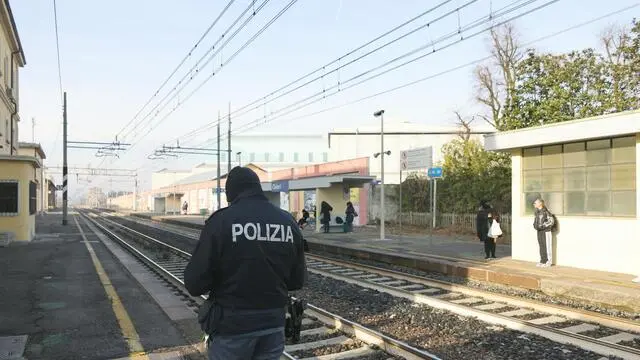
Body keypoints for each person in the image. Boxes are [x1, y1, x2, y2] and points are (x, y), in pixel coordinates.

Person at [184, 166, 307, 360]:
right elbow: (296, 281)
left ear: (231, 192)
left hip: (232, 327)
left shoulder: (221, 221)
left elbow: (194, 283)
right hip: (273, 325)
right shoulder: (288, 222)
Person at [533, 198, 555, 268]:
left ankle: (549, 261)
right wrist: (535, 225)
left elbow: (551, 221)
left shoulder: (546, 211)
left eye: (535, 203)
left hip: (546, 231)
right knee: (541, 246)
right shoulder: (537, 212)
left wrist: (543, 226)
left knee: (547, 246)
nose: (534, 204)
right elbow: (536, 221)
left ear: (540, 203)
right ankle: (543, 260)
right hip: (539, 231)